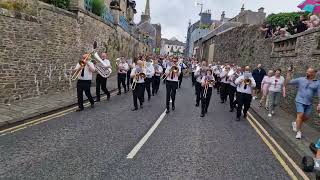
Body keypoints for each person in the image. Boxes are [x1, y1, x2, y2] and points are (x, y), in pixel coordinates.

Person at [286, 67, 320, 139]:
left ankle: (296, 123)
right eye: (307, 71)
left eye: (310, 72)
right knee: (300, 115)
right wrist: (289, 72)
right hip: (299, 100)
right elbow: (289, 82)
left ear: (314, 73)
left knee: (306, 117)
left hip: (309, 103)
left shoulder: (317, 82)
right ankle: (298, 132)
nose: (307, 73)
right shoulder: (301, 79)